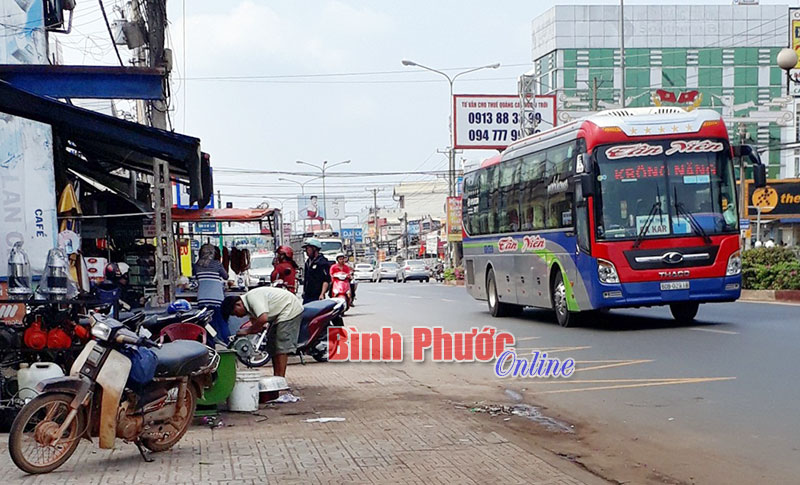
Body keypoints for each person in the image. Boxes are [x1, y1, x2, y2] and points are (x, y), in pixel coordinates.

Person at [221, 287, 303, 378]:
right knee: (272, 347)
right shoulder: (249, 309)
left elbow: (263, 318)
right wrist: (248, 332)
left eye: (235, 313)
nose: (238, 316)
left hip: (289, 308)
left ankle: (281, 379)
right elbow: (257, 326)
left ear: (238, 304)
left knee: (281, 346)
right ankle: (277, 377)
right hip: (279, 314)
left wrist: (247, 331)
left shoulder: (252, 298)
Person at [194, 243, 230, 342]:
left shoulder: (197, 265)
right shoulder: (217, 264)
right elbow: (226, 276)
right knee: (221, 322)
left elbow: (197, 278)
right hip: (217, 299)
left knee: (206, 324)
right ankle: (227, 341)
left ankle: (210, 344)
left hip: (202, 299)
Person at [301, 238, 330, 304]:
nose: (306, 251)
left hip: (317, 296)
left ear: (314, 249)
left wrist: (322, 294)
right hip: (307, 296)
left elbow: (326, 281)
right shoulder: (308, 262)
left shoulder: (322, 262)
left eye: (308, 249)